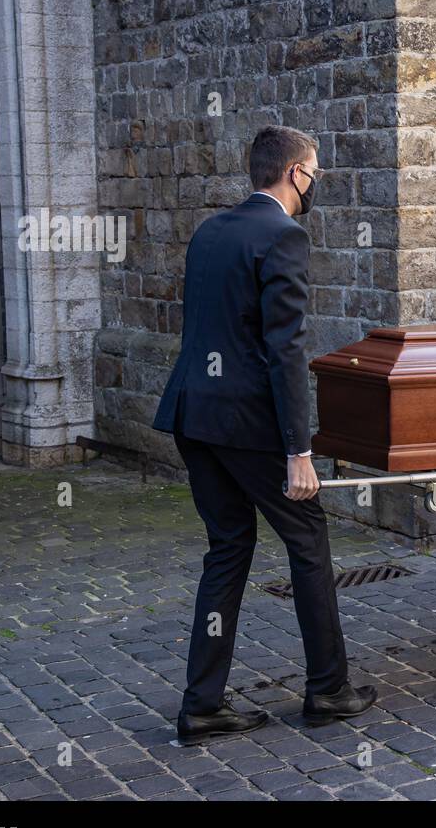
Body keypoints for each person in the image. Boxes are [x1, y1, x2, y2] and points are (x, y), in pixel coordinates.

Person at [154, 125, 376, 745]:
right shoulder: (283, 234)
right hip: (247, 424)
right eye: (315, 173)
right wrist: (298, 450)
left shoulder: (210, 231)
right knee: (308, 539)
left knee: (227, 548)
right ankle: (329, 689)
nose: (317, 184)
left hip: (193, 416)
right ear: (294, 173)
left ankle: (202, 704)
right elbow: (285, 349)